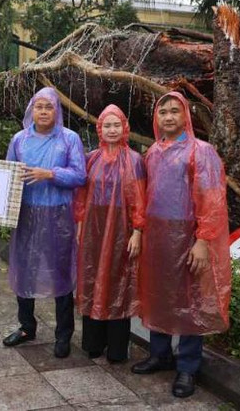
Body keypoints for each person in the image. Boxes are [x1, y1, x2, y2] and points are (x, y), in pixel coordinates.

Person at [131, 91, 231, 398]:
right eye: (164, 112)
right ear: (156, 118)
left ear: (185, 115)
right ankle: (160, 354)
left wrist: (202, 241)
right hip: (158, 237)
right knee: (158, 293)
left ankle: (188, 366)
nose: (169, 117)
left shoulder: (201, 152)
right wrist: (141, 231)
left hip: (188, 235)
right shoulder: (152, 154)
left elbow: (212, 199)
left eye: (175, 111)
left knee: (190, 299)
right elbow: (143, 196)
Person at [2, 87, 86, 358]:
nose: (43, 111)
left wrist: (50, 173)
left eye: (49, 107)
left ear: (57, 111)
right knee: (24, 268)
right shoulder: (19, 140)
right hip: (26, 214)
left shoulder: (69, 139)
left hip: (59, 216)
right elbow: (7, 175)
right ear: (31, 110)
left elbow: (79, 176)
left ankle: (64, 334)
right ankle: (27, 326)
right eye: (38, 106)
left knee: (60, 272)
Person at [74, 105, 145, 363]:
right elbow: (81, 194)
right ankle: (93, 342)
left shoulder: (135, 160)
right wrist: (80, 222)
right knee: (92, 278)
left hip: (121, 230)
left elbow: (139, 198)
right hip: (94, 228)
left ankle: (116, 347)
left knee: (119, 281)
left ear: (124, 127)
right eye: (107, 125)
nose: (112, 130)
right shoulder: (91, 158)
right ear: (100, 129)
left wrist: (138, 231)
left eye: (116, 125)